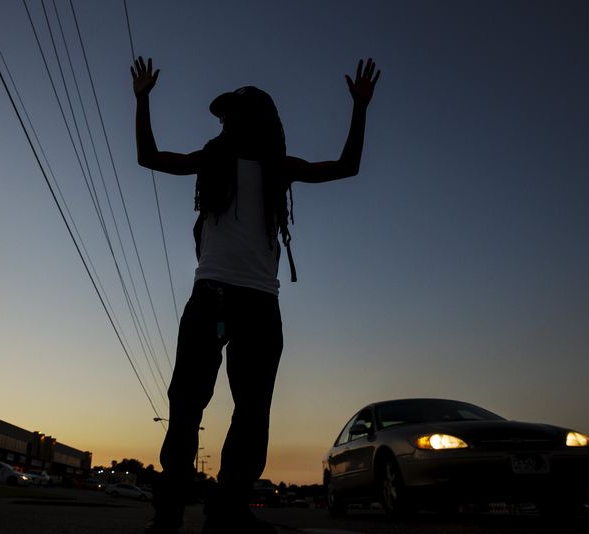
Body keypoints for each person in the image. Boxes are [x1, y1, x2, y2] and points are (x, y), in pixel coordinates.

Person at [131, 56, 380, 534]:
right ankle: (168, 513)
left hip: (260, 303)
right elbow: (150, 157)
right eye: (224, 114)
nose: (225, 120)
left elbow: (347, 167)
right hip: (211, 295)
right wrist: (142, 100)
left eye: (234, 112)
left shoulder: (278, 168)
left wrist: (360, 108)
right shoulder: (212, 161)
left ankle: (228, 511)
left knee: (251, 411)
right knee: (186, 404)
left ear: (259, 119)